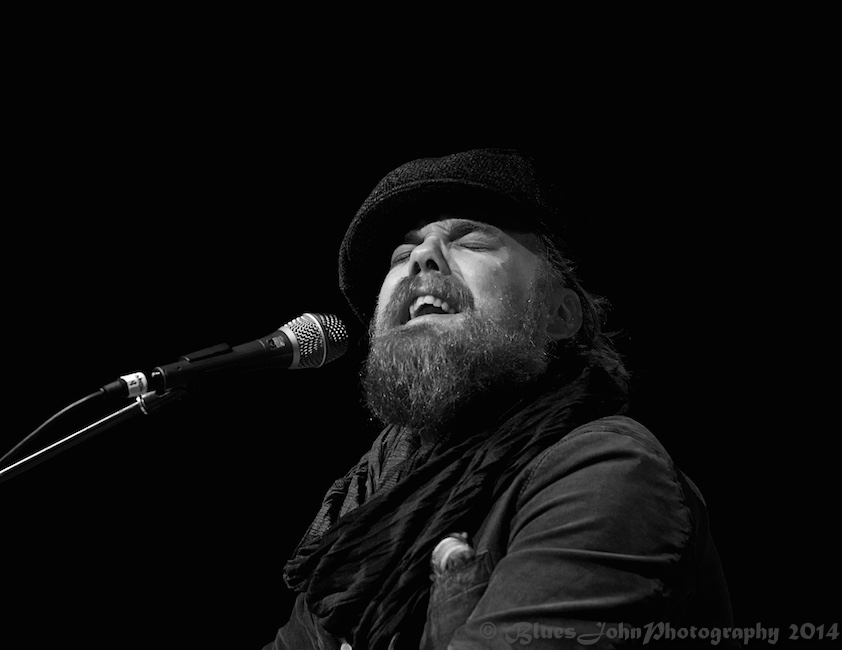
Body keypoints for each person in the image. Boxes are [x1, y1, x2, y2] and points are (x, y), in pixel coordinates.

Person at [263, 148, 737, 649]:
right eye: (401, 256)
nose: (422, 257)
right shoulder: (369, 506)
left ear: (558, 315)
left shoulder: (608, 469)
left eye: (471, 242)